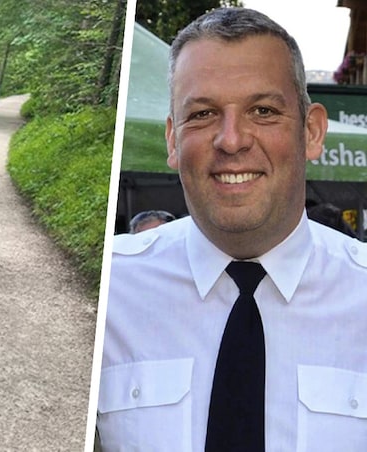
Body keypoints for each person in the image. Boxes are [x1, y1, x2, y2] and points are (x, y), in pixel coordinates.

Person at [96, 7, 367, 452]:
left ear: (312, 132)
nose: (232, 139)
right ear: (172, 140)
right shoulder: (115, 290)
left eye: (263, 110)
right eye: (202, 114)